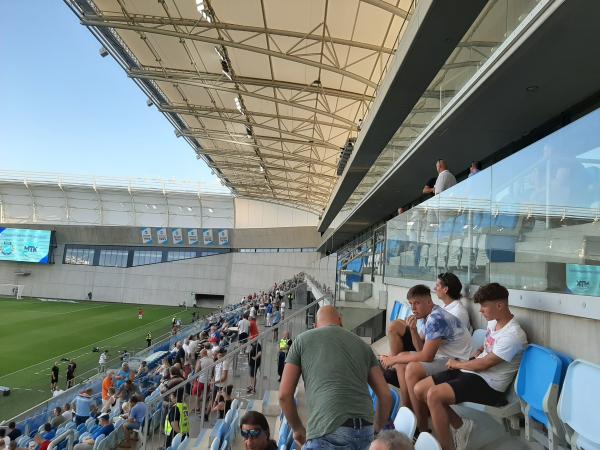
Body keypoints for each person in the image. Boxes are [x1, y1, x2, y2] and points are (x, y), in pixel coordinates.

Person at [413, 283, 528, 450]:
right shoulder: (493, 323)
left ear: (500, 305)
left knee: (434, 395)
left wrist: (458, 363)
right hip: (471, 373)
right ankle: (461, 426)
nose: (481, 311)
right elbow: (487, 351)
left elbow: (485, 363)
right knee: (419, 389)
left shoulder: (513, 334)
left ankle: (447, 447)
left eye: (484, 306)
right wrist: (482, 350)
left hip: (490, 385)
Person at [279, 306, 391, 450]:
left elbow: (284, 395)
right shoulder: (363, 345)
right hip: (364, 432)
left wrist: (297, 429)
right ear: (340, 320)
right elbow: (386, 395)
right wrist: (376, 429)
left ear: (315, 325)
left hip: (326, 430)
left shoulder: (301, 341)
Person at [380, 285, 472, 413]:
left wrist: (393, 359)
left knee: (409, 367)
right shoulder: (427, 316)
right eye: (411, 304)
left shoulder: (436, 318)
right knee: (401, 363)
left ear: (429, 301)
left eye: (417, 303)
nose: (413, 308)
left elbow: (426, 356)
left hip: (456, 361)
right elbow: (420, 349)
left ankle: (419, 420)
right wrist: (413, 330)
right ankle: (406, 410)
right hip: (443, 356)